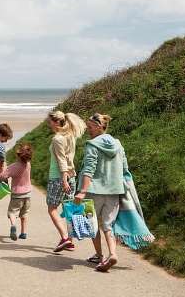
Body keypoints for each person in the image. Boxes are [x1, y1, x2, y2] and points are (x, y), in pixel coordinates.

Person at [74, 113, 129, 272]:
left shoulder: (92, 144)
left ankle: (99, 255)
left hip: (94, 190)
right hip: (114, 190)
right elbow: (125, 169)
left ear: (99, 127)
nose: (88, 130)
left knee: (91, 224)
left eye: (90, 127)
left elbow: (89, 169)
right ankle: (112, 254)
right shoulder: (118, 144)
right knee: (107, 224)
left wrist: (82, 191)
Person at [46, 110, 86, 252]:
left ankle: (65, 238)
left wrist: (64, 179)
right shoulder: (70, 136)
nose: (48, 123)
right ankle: (70, 240)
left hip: (58, 177)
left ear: (57, 122)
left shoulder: (57, 138)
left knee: (52, 208)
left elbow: (61, 160)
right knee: (68, 208)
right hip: (72, 176)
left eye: (50, 121)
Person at [0, 143, 33, 240]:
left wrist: (4, 169)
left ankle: (13, 226)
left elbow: (2, 176)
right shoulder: (28, 165)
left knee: (12, 212)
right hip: (28, 193)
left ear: (18, 155)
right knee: (25, 213)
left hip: (17, 194)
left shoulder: (14, 166)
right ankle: (23, 233)